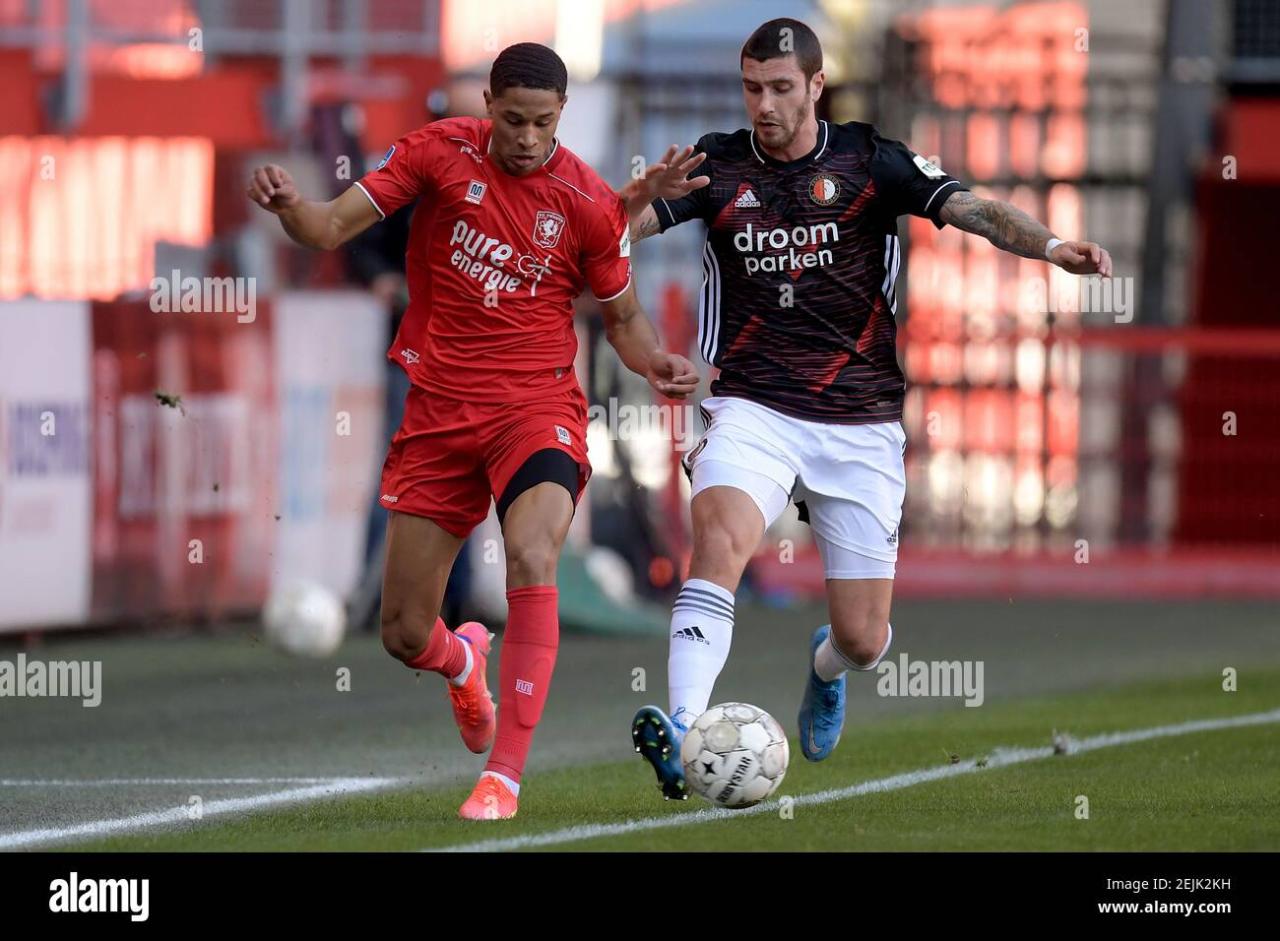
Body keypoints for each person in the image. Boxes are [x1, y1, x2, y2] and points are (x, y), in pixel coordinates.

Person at [618, 17, 1112, 799]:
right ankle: (684, 729)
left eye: (782, 88)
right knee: (719, 541)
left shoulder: (868, 161)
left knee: (864, 637)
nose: (766, 104)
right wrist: (630, 201)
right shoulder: (714, 167)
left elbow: (973, 210)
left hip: (861, 419)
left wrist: (1053, 248)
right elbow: (606, 240)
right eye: (753, 88)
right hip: (754, 404)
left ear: (816, 85)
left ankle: (827, 667)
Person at [247, 43, 702, 819]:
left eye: (543, 122)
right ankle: (462, 660)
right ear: (487, 104)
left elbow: (621, 318)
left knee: (531, 553)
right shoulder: (435, 154)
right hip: (438, 408)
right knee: (402, 630)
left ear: (561, 116)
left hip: (536, 409)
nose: (526, 137)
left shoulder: (588, 201)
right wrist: (292, 203)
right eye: (513, 119)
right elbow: (326, 230)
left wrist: (655, 360)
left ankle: (506, 775)